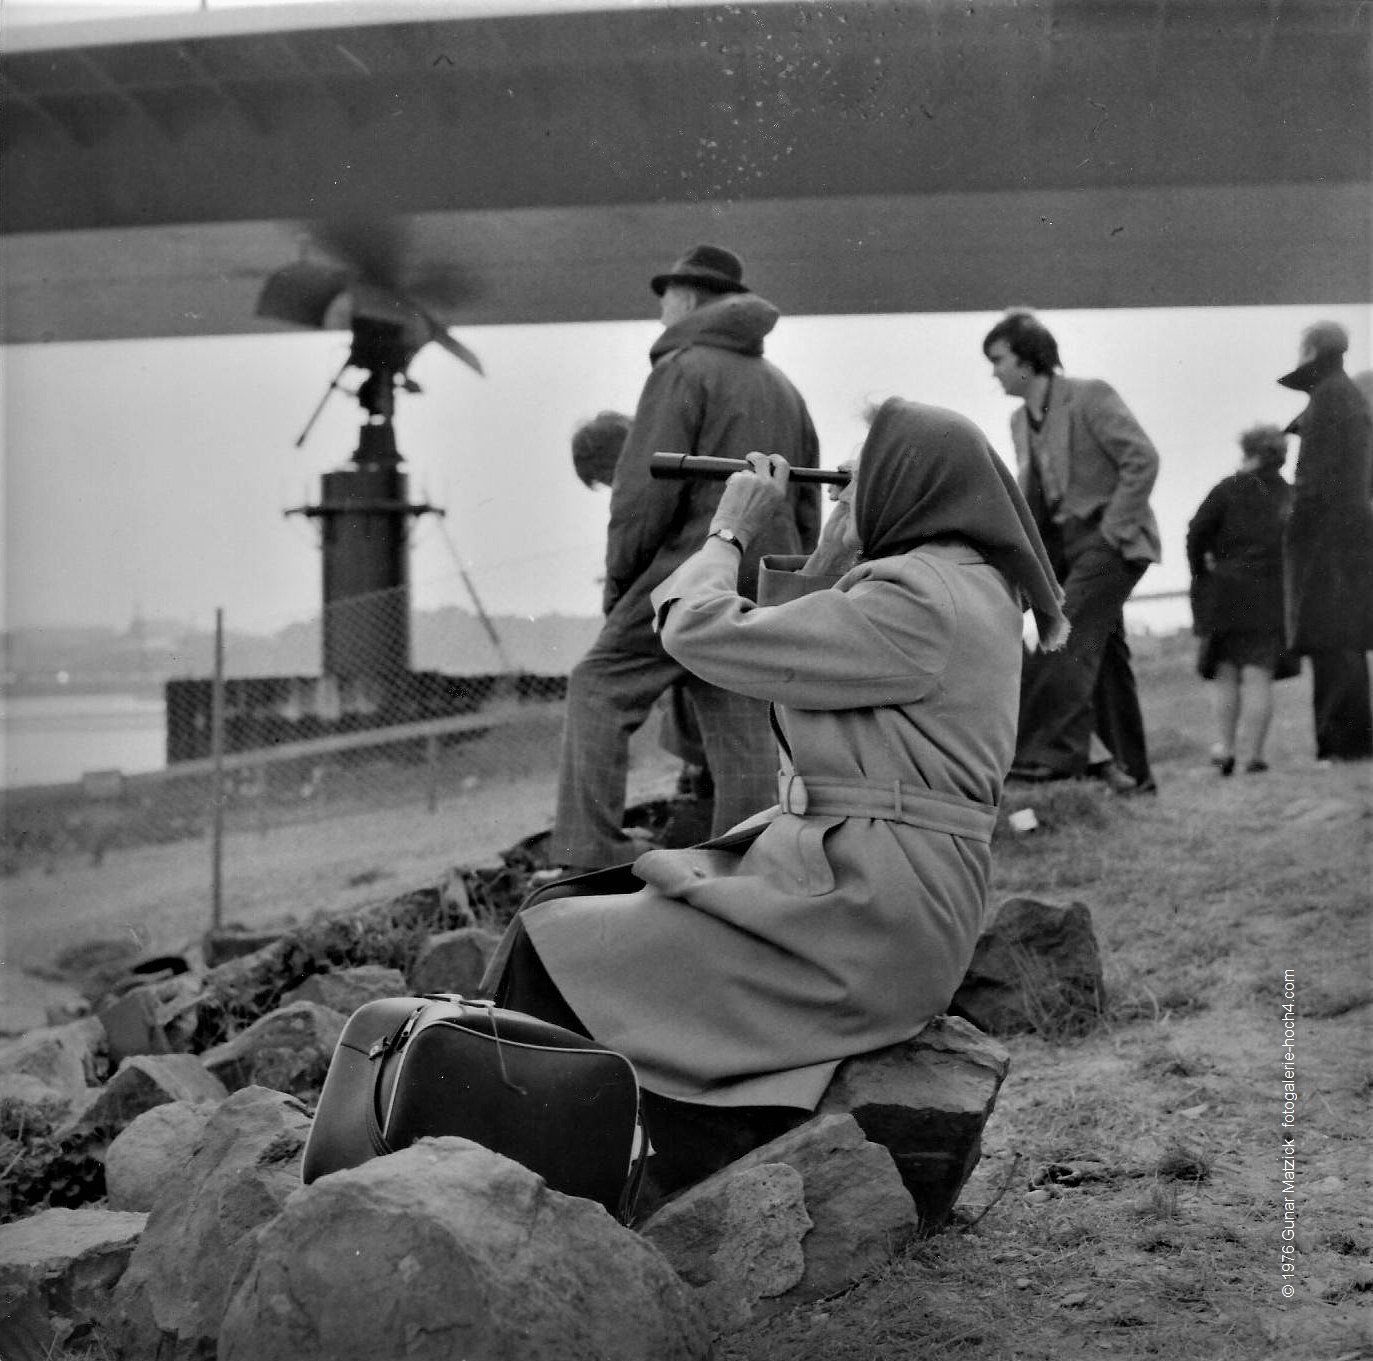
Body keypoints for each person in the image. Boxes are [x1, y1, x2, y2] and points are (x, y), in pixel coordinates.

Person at [484, 399, 1067, 1197]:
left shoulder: (917, 599)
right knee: (582, 922)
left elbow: (700, 633)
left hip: (862, 906)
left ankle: (517, 1186)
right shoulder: (960, 586)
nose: (835, 497)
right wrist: (836, 542)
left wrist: (725, 533)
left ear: (906, 486)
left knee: (553, 946)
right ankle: (598, 1174)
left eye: (852, 484)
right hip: (872, 883)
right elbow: (807, 641)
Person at [547, 245, 821, 874]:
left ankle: (588, 850)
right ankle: (745, 854)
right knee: (731, 703)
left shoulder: (680, 370)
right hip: (766, 575)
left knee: (598, 684)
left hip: (692, 567)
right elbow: (805, 503)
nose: (660, 306)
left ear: (691, 300)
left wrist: (620, 586)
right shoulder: (784, 388)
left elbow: (643, 496)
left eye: (665, 294)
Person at [983, 309, 1161, 793]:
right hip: (1067, 553)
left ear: (1027, 359)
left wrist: (1112, 531)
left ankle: (1046, 762)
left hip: (1113, 543)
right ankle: (1133, 777)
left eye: (998, 360)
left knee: (1059, 635)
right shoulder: (1020, 420)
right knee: (1106, 661)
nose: (993, 372)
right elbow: (1030, 493)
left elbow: (1142, 459)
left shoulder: (1090, 396)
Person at [1277, 322, 1373, 762]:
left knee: (1335, 640)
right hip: (1343, 538)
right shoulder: (1342, 395)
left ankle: (1344, 747)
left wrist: (1294, 522)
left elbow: (1316, 483)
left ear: (1313, 347)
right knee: (1341, 640)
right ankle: (1343, 745)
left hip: (1328, 542)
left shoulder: (1331, 397)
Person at [1186, 425, 1297, 774]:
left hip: (1226, 592)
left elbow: (1196, 530)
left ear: (1248, 452)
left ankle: (1227, 748)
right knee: (1258, 674)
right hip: (1270, 595)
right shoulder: (1287, 495)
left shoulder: (1228, 488)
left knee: (1226, 673)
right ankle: (1254, 756)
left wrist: (1200, 571)